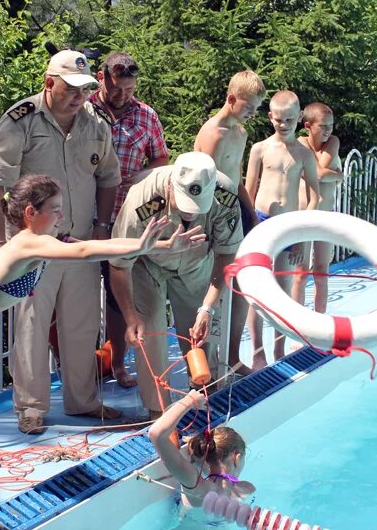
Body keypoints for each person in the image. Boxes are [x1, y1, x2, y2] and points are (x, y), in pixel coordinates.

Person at [0, 174, 204, 512]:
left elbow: (91, 246)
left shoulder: (45, 240)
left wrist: (161, 247)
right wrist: (142, 245)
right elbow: (85, 251)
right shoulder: (28, 243)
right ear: (30, 212)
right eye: (54, 209)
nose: (60, 215)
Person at [0, 49, 123, 437]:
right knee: (31, 325)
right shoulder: (20, 121)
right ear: (49, 83)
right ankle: (30, 408)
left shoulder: (95, 122)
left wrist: (101, 226)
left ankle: (84, 401)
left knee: (81, 324)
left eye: (85, 89)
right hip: (33, 247)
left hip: (78, 242)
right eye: (71, 89)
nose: (80, 97)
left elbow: (109, 176)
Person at [110, 152, 243, 418]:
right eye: (184, 207)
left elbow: (228, 253)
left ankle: (205, 396)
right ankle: (159, 412)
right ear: (171, 186)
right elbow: (119, 264)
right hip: (147, 264)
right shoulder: (143, 198)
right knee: (150, 334)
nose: (190, 215)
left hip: (196, 263)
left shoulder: (224, 192)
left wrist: (208, 306)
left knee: (202, 332)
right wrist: (130, 316)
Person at [90, 51, 170, 388]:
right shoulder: (83, 110)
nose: (123, 96)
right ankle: (79, 368)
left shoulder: (146, 116)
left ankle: (119, 364)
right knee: (73, 299)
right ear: (101, 77)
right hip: (83, 217)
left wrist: (140, 176)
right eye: (116, 89)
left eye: (129, 89)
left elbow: (162, 158)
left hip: (125, 218)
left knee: (118, 296)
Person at [194, 70, 267, 377]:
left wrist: (249, 212)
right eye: (248, 108)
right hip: (209, 215)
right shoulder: (213, 133)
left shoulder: (240, 133)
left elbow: (235, 178)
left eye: (255, 110)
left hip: (232, 210)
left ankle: (234, 356)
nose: (251, 115)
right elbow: (203, 182)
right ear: (231, 98)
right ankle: (206, 364)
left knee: (238, 287)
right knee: (211, 287)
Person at [244, 91, 321, 368]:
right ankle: (257, 352)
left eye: (290, 119)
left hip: (289, 226)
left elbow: (314, 197)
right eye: (279, 119)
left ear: (299, 118)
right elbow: (249, 191)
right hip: (262, 221)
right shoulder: (260, 149)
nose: (284, 124)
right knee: (256, 291)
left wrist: (301, 236)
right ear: (270, 117)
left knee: (282, 290)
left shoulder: (303, 154)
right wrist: (250, 227)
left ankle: (279, 349)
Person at [148, 390, 254, 514]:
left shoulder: (196, 486)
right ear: (237, 458)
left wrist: (188, 401)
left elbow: (156, 434)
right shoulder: (246, 489)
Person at [292, 102, 343, 315]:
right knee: (300, 273)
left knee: (322, 272)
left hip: (326, 217)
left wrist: (323, 173)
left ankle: (320, 322)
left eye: (330, 125)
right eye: (323, 126)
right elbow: (321, 174)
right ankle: (297, 324)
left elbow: (317, 172)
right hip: (303, 216)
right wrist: (338, 175)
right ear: (307, 126)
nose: (328, 130)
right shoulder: (299, 143)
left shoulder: (333, 142)